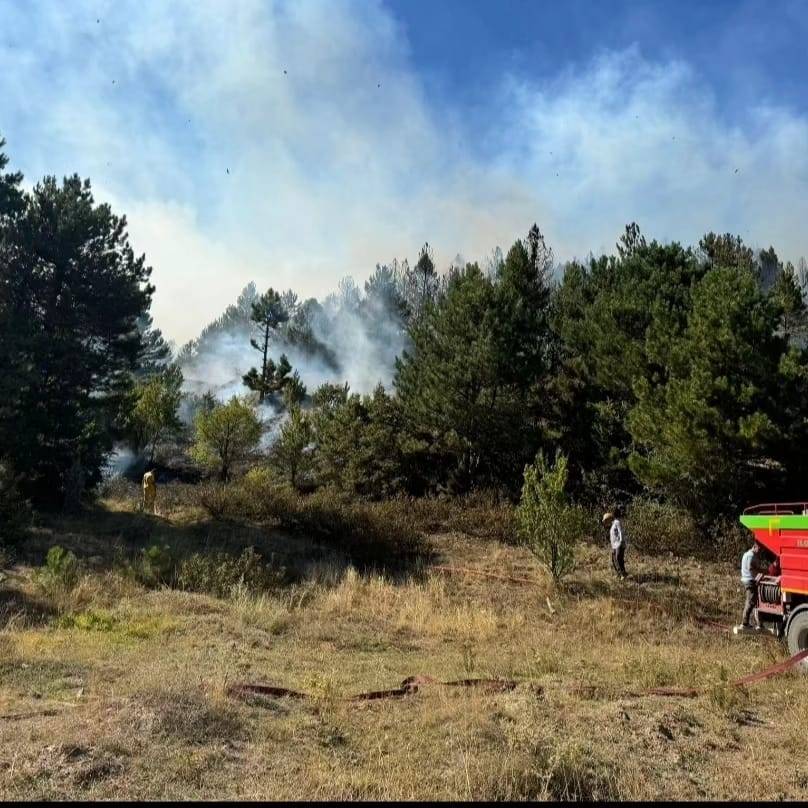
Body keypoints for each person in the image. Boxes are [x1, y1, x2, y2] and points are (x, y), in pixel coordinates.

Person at [740, 540, 762, 628]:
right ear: (755, 546)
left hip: (748, 579)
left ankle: (755, 622)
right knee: (750, 601)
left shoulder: (746, 554)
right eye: (759, 549)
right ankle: (744, 623)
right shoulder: (751, 555)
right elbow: (750, 568)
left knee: (752, 601)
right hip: (749, 580)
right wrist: (759, 573)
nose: (759, 551)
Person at [602, 511, 627, 579]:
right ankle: (620, 574)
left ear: (609, 519)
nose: (606, 523)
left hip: (619, 544)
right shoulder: (612, 525)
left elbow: (620, 531)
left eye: (606, 520)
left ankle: (622, 574)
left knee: (618, 558)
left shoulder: (616, 522)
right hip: (614, 545)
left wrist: (621, 541)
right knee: (614, 559)